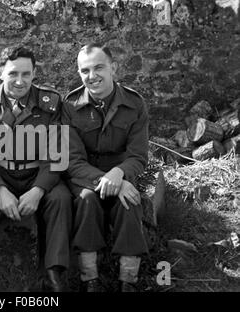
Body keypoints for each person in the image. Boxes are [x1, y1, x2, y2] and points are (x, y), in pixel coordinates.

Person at [0, 46, 72, 292]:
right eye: (13, 73)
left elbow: (56, 155)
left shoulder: (51, 103)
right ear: (0, 72)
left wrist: (38, 190)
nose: (20, 81)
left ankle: (52, 275)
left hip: (37, 174)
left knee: (60, 198)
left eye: (26, 74)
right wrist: (0, 190)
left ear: (34, 73)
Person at [62, 43, 150, 292]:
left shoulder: (134, 104)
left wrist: (120, 174)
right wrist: (109, 180)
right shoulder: (70, 106)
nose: (92, 76)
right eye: (85, 70)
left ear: (113, 67)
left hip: (122, 171)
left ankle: (128, 281)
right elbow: (72, 160)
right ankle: (90, 280)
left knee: (129, 202)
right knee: (87, 201)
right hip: (85, 178)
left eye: (99, 67)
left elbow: (138, 155)